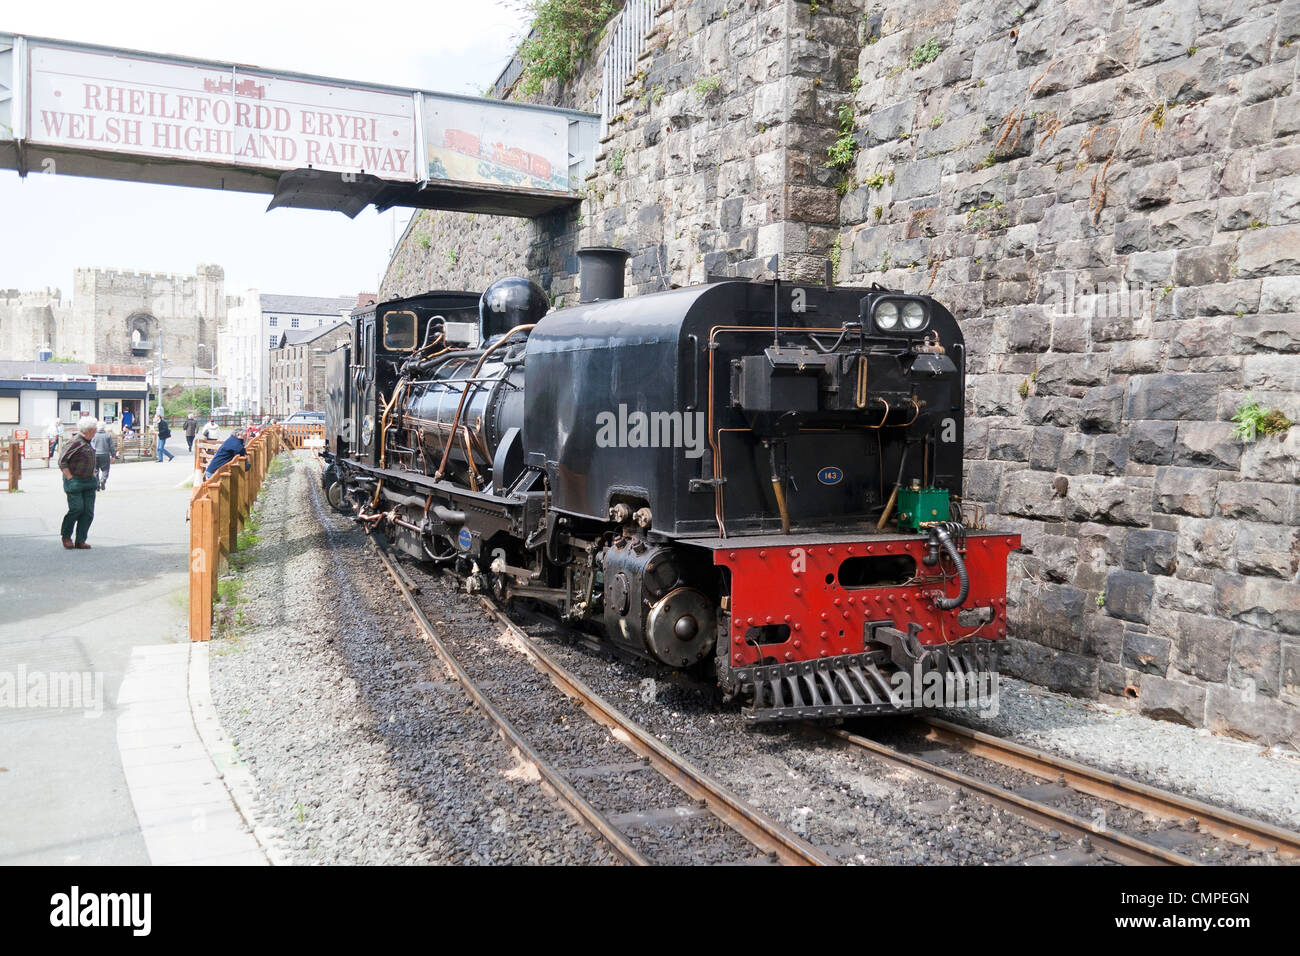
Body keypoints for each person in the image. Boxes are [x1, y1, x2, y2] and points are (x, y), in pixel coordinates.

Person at [59, 417, 99, 549]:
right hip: (75, 481)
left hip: (89, 481)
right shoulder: (74, 442)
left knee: (88, 511)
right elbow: (62, 461)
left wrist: (93, 473)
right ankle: (66, 536)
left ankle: (80, 540)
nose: (96, 430)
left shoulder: (89, 441)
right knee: (76, 508)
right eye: (95, 429)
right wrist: (69, 477)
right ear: (90, 430)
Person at [90, 421, 119, 491]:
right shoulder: (107, 435)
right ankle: (103, 480)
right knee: (106, 469)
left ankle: (97, 485)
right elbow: (111, 446)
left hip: (95, 454)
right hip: (105, 454)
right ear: (104, 427)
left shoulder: (93, 435)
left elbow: (90, 445)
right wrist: (113, 456)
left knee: (95, 470)